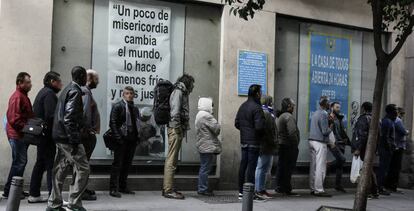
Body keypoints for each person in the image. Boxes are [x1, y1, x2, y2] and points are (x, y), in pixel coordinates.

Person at [47, 66, 90, 211]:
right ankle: (74, 203)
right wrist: (75, 141)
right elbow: (69, 119)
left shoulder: (67, 89)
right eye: (85, 76)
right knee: (83, 168)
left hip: (60, 136)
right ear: (81, 76)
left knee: (60, 169)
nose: (87, 80)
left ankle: (54, 203)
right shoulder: (75, 91)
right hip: (67, 138)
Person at [28, 71, 62, 203]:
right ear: (52, 82)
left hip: (41, 136)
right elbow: (51, 116)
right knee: (50, 166)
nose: (61, 84)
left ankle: (34, 194)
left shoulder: (43, 92)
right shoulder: (49, 94)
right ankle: (52, 196)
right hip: (47, 136)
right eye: (59, 81)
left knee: (40, 164)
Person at [163, 74, 195, 200]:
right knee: (171, 160)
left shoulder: (181, 92)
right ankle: (168, 190)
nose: (193, 87)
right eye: (192, 84)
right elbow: (175, 112)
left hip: (176, 128)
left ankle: (168, 187)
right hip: (175, 129)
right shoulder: (178, 92)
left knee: (173, 159)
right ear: (187, 83)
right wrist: (177, 128)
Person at [2, 72, 34, 199]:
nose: (30, 84)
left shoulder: (23, 96)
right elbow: (14, 119)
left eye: (30, 82)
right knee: (20, 162)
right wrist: (27, 129)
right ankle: (11, 191)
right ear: (20, 83)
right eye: (28, 82)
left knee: (19, 162)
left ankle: (12, 190)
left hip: (20, 135)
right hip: (17, 135)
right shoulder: (17, 97)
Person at [235, 84, 266, 202]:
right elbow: (259, 127)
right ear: (257, 93)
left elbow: (237, 123)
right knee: (251, 168)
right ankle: (250, 193)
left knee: (243, 166)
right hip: (254, 142)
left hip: (244, 141)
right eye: (260, 92)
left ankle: (241, 192)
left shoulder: (242, 106)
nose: (261, 94)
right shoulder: (257, 108)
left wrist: (245, 130)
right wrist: (261, 134)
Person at [109, 86, 140, 198]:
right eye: (127, 93)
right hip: (121, 140)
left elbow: (137, 124)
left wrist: (137, 138)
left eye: (131, 93)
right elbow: (112, 123)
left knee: (127, 164)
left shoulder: (134, 108)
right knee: (117, 164)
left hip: (131, 140)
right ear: (123, 95)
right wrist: (118, 138)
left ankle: (123, 186)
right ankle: (113, 189)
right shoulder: (118, 106)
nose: (129, 95)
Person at [81, 69, 101, 201]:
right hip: (87, 135)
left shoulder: (85, 91)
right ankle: (81, 191)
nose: (98, 82)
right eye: (96, 79)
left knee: (83, 164)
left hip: (87, 133)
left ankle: (82, 188)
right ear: (90, 79)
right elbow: (85, 113)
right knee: (83, 164)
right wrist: (89, 131)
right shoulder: (86, 92)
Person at [352, 102, 378, 199]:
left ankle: (369, 192)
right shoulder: (376, 119)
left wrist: (358, 148)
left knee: (366, 170)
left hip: (364, 148)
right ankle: (374, 191)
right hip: (371, 147)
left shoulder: (363, 119)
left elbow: (361, 135)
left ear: (363, 108)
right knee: (369, 169)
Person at [195, 97, 221, 196]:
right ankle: (202, 189)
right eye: (211, 105)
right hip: (207, 145)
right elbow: (217, 129)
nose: (213, 107)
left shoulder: (199, 114)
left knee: (204, 167)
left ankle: (202, 188)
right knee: (205, 168)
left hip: (202, 144)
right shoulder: (206, 116)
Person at [275, 98, 300, 196]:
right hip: (289, 146)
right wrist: (295, 144)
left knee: (282, 167)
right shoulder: (288, 116)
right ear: (289, 106)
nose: (294, 107)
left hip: (283, 145)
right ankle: (286, 188)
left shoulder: (281, 116)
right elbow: (292, 132)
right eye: (293, 105)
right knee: (288, 168)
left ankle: (280, 187)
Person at [309, 96, 332, 197]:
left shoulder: (315, 113)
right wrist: (331, 126)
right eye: (329, 103)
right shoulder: (324, 113)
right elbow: (325, 131)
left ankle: (313, 188)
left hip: (312, 141)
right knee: (320, 166)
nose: (330, 105)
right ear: (325, 104)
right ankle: (319, 189)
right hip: (320, 142)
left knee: (313, 166)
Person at [255, 96, 278, 199]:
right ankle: (258, 190)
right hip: (266, 145)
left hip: (265, 144)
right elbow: (269, 130)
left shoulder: (265, 112)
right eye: (271, 101)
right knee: (261, 168)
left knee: (263, 168)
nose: (272, 103)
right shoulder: (266, 113)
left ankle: (261, 189)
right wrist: (273, 141)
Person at [384, 107, 409, 193]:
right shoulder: (398, 121)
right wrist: (407, 131)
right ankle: (392, 186)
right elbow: (403, 132)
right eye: (402, 114)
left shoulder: (392, 120)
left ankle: (388, 185)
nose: (402, 116)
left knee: (392, 167)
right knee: (396, 167)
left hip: (394, 146)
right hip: (398, 146)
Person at [376, 104, 398, 196]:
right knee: (383, 169)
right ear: (391, 111)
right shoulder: (387, 122)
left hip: (386, 149)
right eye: (395, 110)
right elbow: (385, 137)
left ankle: (380, 187)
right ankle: (379, 188)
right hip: (385, 149)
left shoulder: (389, 121)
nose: (397, 112)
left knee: (384, 169)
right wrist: (390, 148)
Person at [328, 102, 350, 193]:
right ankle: (328, 165)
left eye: (339, 107)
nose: (338, 109)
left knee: (340, 165)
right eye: (337, 107)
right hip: (334, 143)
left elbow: (341, 130)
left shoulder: (339, 118)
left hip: (341, 143)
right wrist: (330, 142)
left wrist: (345, 139)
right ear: (331, 107)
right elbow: (327, 130)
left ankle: (338, 185)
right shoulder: (329, 117)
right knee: (342, 159)